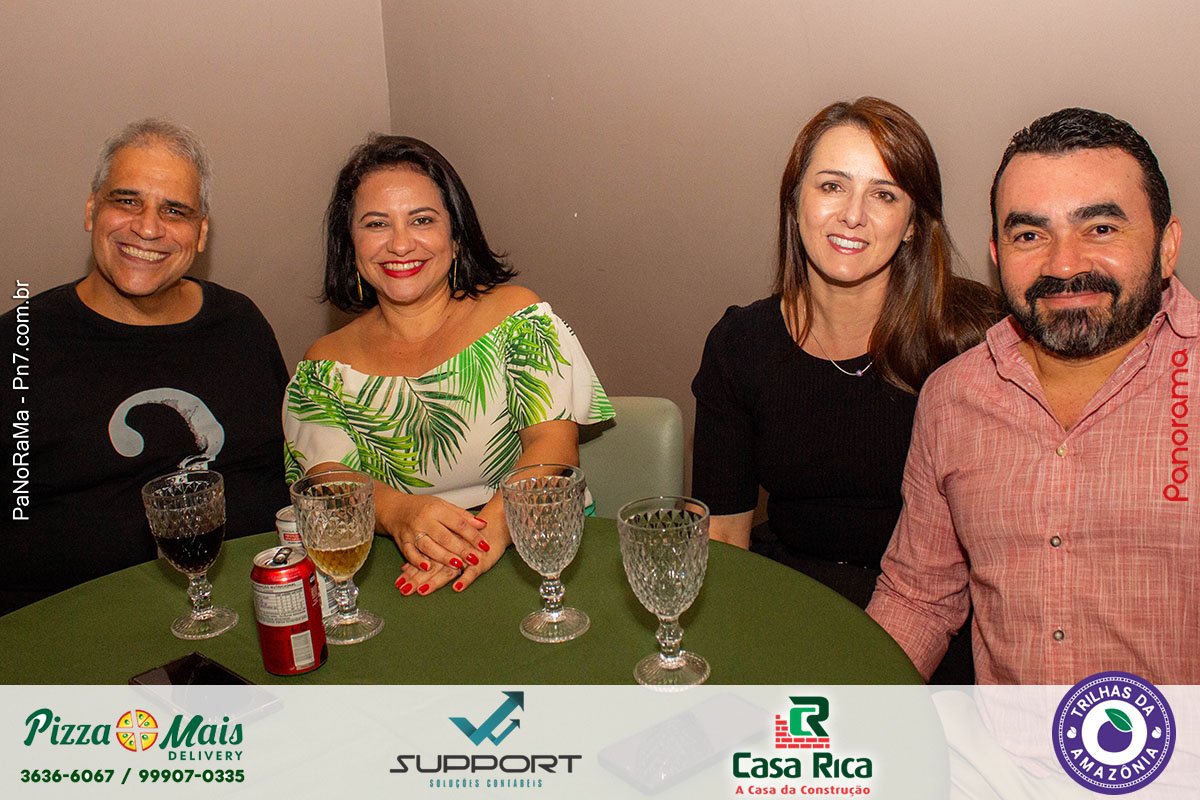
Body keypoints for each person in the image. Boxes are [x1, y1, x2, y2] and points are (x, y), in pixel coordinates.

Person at [867, 107, 1199, 684]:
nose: (1063, 263)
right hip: (1002, 744)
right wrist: (834, 714)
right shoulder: (952, 397)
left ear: (1167, 246)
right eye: (1029, 235)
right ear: (997, 255)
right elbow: (919, 598)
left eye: (1100, 228)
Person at [284, 135, 614, 597]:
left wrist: (486, 535)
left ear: (456, 237)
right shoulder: (323, 366)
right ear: (350, 245)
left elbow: (554, 446)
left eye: (422, 220)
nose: (401, 244)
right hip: (395, 564)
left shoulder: (517, 317)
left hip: (539, 547)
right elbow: (330, 479)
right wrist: (398, 513)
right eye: (376, 224)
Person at [0, 118, 289, 614]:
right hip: (77, 627)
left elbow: (284, 471)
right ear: (92, 210)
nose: (148, 228)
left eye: (174, 210)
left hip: (251, 609)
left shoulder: (240, 324)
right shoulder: (19, 346)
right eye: (127, 201)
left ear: (201, 233)